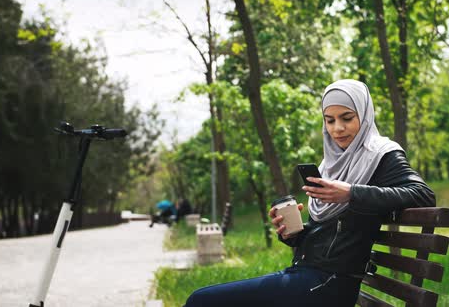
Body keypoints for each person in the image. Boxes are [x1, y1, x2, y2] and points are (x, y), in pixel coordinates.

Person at [184, 79, 436, 307]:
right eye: (330, 120)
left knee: (201, 301)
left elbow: (423, 195)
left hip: (329, 285)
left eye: (347, 118)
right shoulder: (331, 163)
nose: (337, 128)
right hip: (306, 276)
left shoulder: (381, 155)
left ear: (365, 115)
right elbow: (332, 233)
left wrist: (351, 193)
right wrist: (293, 233)